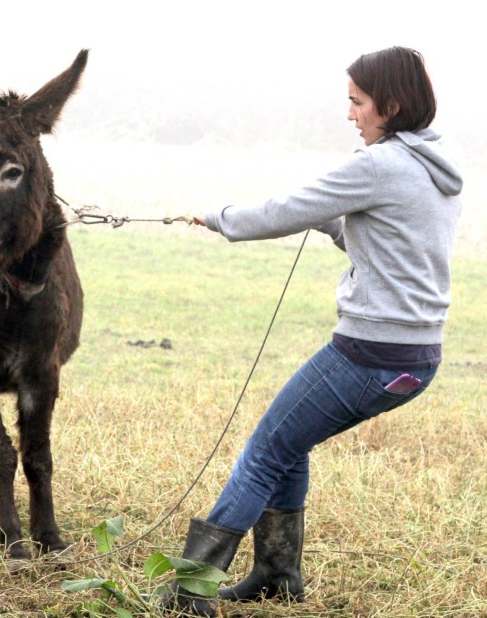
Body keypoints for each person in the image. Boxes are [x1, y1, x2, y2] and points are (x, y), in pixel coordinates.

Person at [157, 46, 463, 616]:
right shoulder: (436, 169)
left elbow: (283, 210)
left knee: (264, 452)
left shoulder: (379, 165)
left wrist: (218, 218)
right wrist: (334, 220)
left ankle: (190, 590)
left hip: (368, 353)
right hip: (417, 359)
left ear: (391, 104)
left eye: (357, 102)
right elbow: (385, 247)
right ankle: (277, 576)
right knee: (290, 443)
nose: (350, 115)